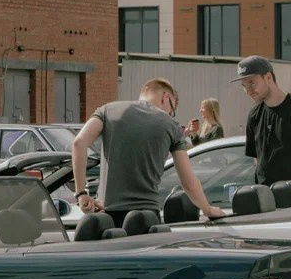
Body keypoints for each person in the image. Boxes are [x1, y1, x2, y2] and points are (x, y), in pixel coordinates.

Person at [72, 78, 225, 226]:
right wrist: (207, 209)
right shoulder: (171, 125)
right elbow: (188, 182)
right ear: (165, 97)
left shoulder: (107, 110)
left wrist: (81, 194)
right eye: (172, 110)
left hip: (106, 215)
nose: (170, 115)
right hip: (145, 218)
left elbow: (79, 143)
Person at [234, 55, 291, 202]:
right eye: (244, 86)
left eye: (252, 83)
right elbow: (258, 159)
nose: (249, 91)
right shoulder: (254, 116)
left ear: (268, 77)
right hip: (265, 204)